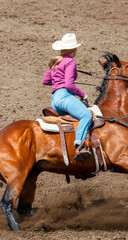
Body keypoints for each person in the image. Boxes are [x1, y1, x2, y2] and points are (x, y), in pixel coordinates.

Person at [42, 33, 92, 161]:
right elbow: (69, 84)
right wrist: (82, 94)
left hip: (55, 100)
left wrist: (58, 82)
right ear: (74, 50)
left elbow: (45, 81)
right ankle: (80, 144)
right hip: (65, 97)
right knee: (86, 115)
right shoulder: (70, 62)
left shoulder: (55, 61)